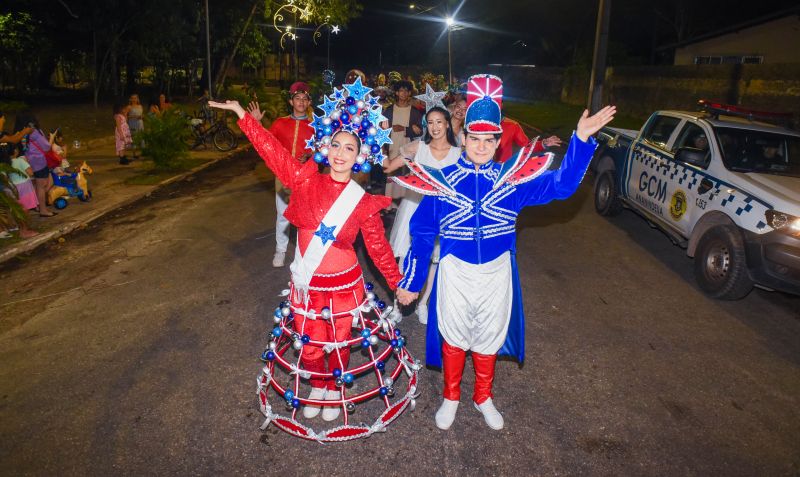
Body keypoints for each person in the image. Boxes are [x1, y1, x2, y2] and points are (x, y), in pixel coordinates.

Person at [394, 74, 615, 431]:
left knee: (489, 335)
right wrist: (413, 280)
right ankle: (452, 396)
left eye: (489, 140)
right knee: (453, 334)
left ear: (498, 142)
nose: (481, 146)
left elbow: (561, 185)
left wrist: (582, 140)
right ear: (463, 138)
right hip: (455, 273)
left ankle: (483, 396)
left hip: (496, 273)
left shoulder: (512, 180)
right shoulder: (442, 181)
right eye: (475, 138)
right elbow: (420, 234)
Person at [208, 83, 402, 422]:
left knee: (341, 343)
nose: (341, 153)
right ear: (325, 148)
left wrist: (398, 283)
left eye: (350, 148)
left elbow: (379, 249)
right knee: (311, 344)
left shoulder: (363, 202)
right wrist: (243, 116)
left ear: (360, 156)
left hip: (344, 287)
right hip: (308, 284)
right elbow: (273, 151)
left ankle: (337, 386)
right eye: (336, 145)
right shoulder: (305, 179)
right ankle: (319, 385)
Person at [383, 106, 461, 324]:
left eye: (439, 122)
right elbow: (389, 167)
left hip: (444, 212)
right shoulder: (418, 147)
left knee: (434, 260)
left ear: (447, 123)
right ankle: (398, 306)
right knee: (404, 257)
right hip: (413, 207)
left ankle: (423, 304)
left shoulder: (459, 153)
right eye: (431, 122)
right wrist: (375, 143)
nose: (435, 127)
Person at [248, 81, 314, 268]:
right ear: (291, 101)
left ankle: (305, 255)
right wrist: (257, 123)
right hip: (284, 176)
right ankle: (281, 251)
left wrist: (310, 155)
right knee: (283, 215)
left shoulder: (315, 126)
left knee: (306, 217)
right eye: (297, 98)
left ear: (308, 103)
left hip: (306, 178)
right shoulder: (280, 123)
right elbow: (265, 143)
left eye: (304, 99)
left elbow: (323, 151)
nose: (301, 102)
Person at [383, 80, 423, 205]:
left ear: (410, 93)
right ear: (396, 92)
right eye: (401, 90)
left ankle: (404, 203)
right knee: (391, 173)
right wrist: (383, 147)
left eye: (406, 91)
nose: (404, 93)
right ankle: (389, 204)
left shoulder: (415, 112)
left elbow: (420, 132)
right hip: (391, 145)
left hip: (408, 148)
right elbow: (382, 130)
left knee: (406, 174)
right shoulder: (389, 110)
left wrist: (405, 129)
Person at [13, 111, 57, 217]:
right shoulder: (34, 132)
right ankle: (43, 210)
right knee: (43, 185)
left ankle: (37, 205)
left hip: (27, 162)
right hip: (39, 162)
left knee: (35, 185)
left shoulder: (18, 132)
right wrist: (52, 137)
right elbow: (46, 147)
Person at [1, 144, 39, 238]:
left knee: (19, 209)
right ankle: (24, 231)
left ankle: (22, 228)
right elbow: (30, 172)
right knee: (22, 210)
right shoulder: (18, 161)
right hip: (18, 189)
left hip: (11, 188)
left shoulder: (5, 164)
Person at [495, 117, 561, 163]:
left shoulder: (512, 125)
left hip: (501, 171)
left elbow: (526, 145)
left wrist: (543, 143)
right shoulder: (484, 123)